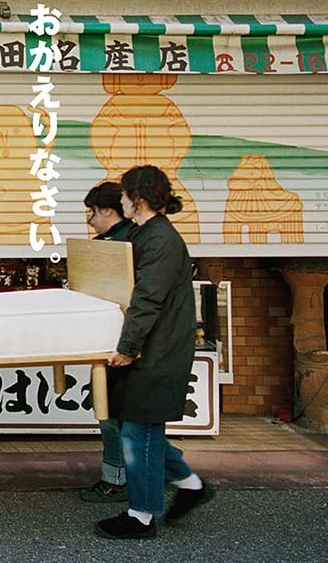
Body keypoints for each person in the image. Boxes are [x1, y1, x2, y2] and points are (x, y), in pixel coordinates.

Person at [95, 166, 214, 539]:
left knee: (138, 430)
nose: (122, 202)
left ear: (139, 200)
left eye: (126, 197)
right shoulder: (145, 233)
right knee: (137, 427)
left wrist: (127, 348)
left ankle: (141, 516)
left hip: (158, 349)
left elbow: (147, 300)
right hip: (151, 345)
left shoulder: (160, 240)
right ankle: (191, 484)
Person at [78, 182, 134, 504]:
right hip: (117, 340)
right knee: (119, 417)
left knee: (113, 417)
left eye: (92, 212)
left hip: (121, 344)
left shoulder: (122, 244)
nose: (90, 220)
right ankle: (174, 473)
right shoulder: (120, 241)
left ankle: (116, 480)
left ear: (109, 211)